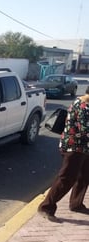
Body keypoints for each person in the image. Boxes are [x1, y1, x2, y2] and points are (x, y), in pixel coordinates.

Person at [38, 85, 89, 222]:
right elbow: (85, 130)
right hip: (74, 147)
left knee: (84, 176)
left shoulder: (84, 103)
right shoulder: (82, 106)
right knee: (66, 178)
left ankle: (76, 204)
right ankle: (46, 207)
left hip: (84, 148)